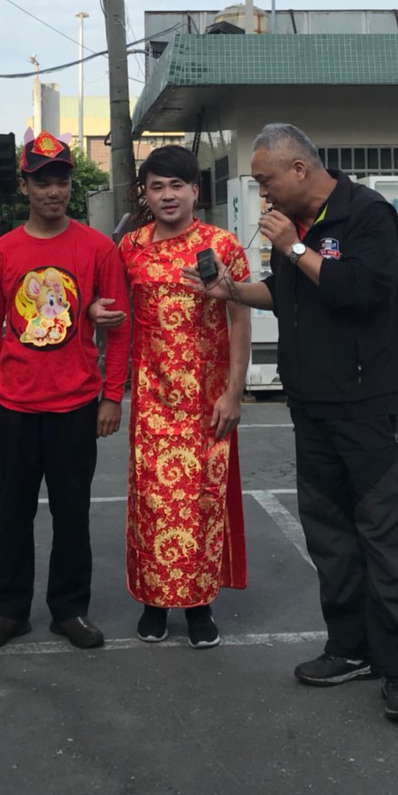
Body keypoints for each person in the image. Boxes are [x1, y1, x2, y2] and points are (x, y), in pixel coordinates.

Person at [186, 123, 398, 723]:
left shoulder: (366, 213)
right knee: (329, 536)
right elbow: (289, 291)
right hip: (311, 404)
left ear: (299, 169)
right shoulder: (293, 228)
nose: (262, 191)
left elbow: (362, 290)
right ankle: (349, 647)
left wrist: (296, 246)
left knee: (386, 536)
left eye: (265, 179)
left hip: (368, 404)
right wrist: (232, 291)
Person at [0, 130, 130, 652]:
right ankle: (9, 611)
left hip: (76, 406)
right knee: (14, 513)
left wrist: (112, 396)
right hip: (16, 405)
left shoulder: (98, 249)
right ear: (24, 186)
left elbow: (120, 328)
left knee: (72, 512)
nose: (53, 191)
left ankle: (70, 610)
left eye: (61, 180)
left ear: (70, 185)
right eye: (41, 182)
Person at [92, 145, 250, 648]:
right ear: (144, 193)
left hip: (208, 403)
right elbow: (108, 304)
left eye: (176, 185)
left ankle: (200, 607)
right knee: (154, 504)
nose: (167, 195)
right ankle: (153, 603)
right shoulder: (130, 248)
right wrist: (96, 311)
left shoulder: (221, 246)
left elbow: (241, 319)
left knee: (203, 503)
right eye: (156, 186)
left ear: (195, 192)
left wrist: (234, 392)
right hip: (153, 400)